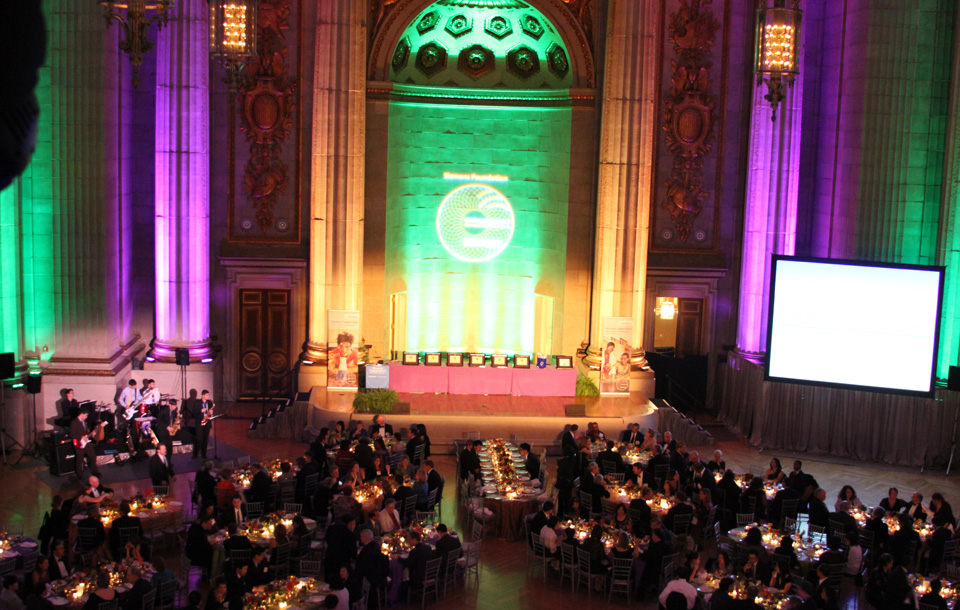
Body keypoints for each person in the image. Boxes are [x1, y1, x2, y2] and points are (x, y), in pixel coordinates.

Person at [354, 529, 388, 608]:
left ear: (363, 538)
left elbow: (360, 569)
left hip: (371, 580)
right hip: (380, 576)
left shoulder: (365, 552)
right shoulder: (375, 545)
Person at [324, 515, 359, 583]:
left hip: (329, 558)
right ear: (350, 524)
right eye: (353, 524)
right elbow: (353, 553)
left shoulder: (331, 529)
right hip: (342, 563)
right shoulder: (351, 535)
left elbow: (327, 540)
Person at [70, 408, 102, 478]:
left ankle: (95, 471)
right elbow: (72, 434)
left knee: (92, 456)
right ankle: (79, 475)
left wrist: (91, 434)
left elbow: (86, 432)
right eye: (85, 415)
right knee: (79, 459)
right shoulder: (74, 422)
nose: (86, 417)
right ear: (81, 414)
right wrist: (81, 437)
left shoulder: (84, 422)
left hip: (86, 442)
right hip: (79, 443)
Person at [192, 390, 214, 459]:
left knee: (205, 439)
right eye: (207, 395)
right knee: (199, 439)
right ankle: (195, 454)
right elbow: (194, 413)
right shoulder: (197, 403)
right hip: (199, 424)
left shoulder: (209, 402)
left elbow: (211, 412)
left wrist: (211, 412)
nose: (208, 396)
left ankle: (204, 454)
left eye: (208, 395)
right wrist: (201, 411)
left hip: (207, 423)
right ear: (203, 396)